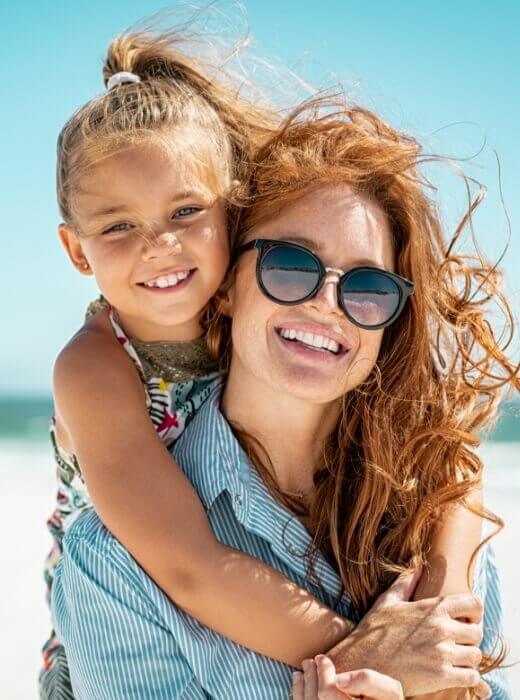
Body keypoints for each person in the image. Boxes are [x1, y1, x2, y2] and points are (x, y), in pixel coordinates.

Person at [51, 91, 518, 698]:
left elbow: (459, 463)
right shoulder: (113, 563)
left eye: (368, 286)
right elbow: (191, 567)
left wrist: (443, 599)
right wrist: (370, 661)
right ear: (229, 284)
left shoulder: (424, 507)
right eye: (291, 266)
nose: (326, 302)